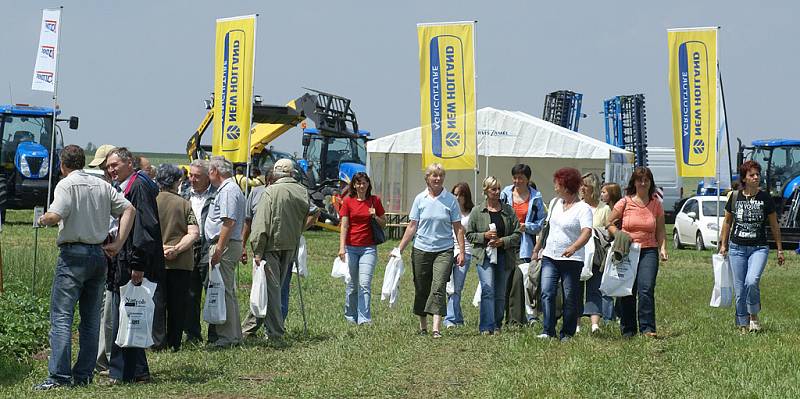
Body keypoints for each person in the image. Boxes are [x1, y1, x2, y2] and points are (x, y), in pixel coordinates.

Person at [33, 145, 135, 390]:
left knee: (62, 317)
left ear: (62, 165)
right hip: (99, 255)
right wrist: (119, 243)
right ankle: (84, 375)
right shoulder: (102, 185)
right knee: (90, 320)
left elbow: (56, 214)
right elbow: (129, 209)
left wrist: (42, 218)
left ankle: (59, 377)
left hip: (73, 255)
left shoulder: (65, 185)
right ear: (84, 162)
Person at [104, 147, 165, 383]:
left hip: (133, 261)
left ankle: (120, 373)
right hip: (128, 258)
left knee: (126, 314)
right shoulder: (134, 184)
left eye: (115, 165)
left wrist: (138, 264)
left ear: (129, 163)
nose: (111, 170)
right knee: (130, 314)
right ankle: (137, 371)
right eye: (108, 167)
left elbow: (145, 228)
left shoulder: (137, 186)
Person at [394, 163, 465, 338]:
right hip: (421, 249)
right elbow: (412, 226)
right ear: (427, 178)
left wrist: (461, 251)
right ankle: (423, 326)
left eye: (440, 175)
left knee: (439, 286)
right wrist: (399, 249)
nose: (438, 179)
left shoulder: (450, 200)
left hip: (444, 250)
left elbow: (458, 228)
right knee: (421, 287)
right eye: (434, 175)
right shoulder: (420, 199)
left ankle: (436, 328)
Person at [250, 159, 316, 339]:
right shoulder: (302, 191)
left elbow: (261, 223)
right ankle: (250, 328)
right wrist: (298, 231)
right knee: (276, 289)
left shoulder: (270, 191)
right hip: (291, 245)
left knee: (271, 290)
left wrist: (257, 249)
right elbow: (310, 214)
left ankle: (275, 332)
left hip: (271, 245)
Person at [719, 160, 785, 333]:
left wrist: (779, 249)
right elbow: (727, 222)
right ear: (744, 178)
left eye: (757, 174)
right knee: (740, 289)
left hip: (759, 248)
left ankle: (753, 315)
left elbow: (774, 225)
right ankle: (742, 324)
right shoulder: (734, 197)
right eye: (752, 175)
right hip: (737, 249)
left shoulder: (765, 198)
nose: (756, 177)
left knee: (752, 281)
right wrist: (723, 245)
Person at [607, 167, 669, 338]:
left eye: (646, 180)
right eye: (639, 180)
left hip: (649, 250)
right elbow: (609, 223)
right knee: (628, 290)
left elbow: (661, 230)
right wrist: (618, 234)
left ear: (651, 182)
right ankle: (628, 329)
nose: (643, 183)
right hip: (628, 250)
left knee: (646, 289)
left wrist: (663, 248)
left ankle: (648, 328)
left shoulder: (656, 204)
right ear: (634, 182)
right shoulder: (624, 202)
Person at [532, 167, 593, 341]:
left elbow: (587, 231)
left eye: (557, 183)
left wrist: (574, 247)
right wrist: (537, 249)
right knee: (547, 292)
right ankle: (548, 330)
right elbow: (547, 228)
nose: (555, 187)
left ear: (566, 185)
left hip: (572, 259)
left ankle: (567, 333)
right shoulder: (554, 203)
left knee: (570, 297)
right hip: (550, 256)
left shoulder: (583, 208)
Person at [466, 177, 521, 335]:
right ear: (485, 191)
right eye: (493, 189)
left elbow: (517, 234)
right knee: (488, 289)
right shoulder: (477, 211)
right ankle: (486, 326)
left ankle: (497, 324)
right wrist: (484, 236)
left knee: (500, 292)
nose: (497, 192)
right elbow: (469, 234)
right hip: (484, 256)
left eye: (498, 189)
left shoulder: (508, 210)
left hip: (504, 256)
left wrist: (502, 241)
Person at [154, 164, 199, 352]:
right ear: (177, 182)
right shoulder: (184, 204)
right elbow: (194, 233)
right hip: (181, 262)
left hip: (155, 261)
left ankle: (157, 342)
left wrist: (161, 248)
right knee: (178, 303)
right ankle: (174, 342)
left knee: (157, 303)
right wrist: (176, 249)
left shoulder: (151, 201)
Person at [204, 156, 246, 347]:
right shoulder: (230, 188)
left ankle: (227, 337)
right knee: (227, 290)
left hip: (225, 245)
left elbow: (228, 222)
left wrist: (219, 248)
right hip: (229, 244)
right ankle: (234, 334)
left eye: (209, 170)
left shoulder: (228, 190)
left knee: (224, 291)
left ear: (215, 171)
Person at [500, 164, 546, 325]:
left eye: (521, 178)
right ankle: (505, 315)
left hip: (525, 244)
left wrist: (527, 227)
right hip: (505, 242)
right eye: (515, 177)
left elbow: (541, 222)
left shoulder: (536, 197)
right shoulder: (505, 194)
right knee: (505, 280)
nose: (517, 181)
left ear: (528, 179)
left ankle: (521, 316)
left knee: (520, 279)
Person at [338, 172, 386, 325]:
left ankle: (364, 319)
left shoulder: (374, 201)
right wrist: (342, 247)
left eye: (364, 183)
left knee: (364, 283)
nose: (361, 186)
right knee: (352, 285)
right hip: (351, 247)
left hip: (368, 248)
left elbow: (384, 223)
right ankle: (350, 317)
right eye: (358, 183)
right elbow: (344, 225)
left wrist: (375, 216)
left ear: (368, 185)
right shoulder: (347, 201)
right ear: (353, 185)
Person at [182, 159, 218, 344]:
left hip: (208, 245)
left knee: (212, 291)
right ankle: (192, 335)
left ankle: (215, 334)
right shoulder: (184, 193)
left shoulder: (216, 194)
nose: (192, 179)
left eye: (197, 176)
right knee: (190, 292)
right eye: (190, 175)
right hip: (189, 246)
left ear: (207, 177)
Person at [444, 182, 474, 328]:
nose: (457, 197)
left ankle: (450, 319)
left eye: (460, 195)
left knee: (457, 287)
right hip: (449, 249)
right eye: (454, 194)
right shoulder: (449, 210)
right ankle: (458, 318)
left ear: (465, 196)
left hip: (466, 251)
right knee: (449, 286)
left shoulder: (472, 213)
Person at [578, 172, 605, 333]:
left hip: (596, 255)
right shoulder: (578, 206)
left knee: (594, 288)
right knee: (575, 289)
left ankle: (595, 324)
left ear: (592, 188)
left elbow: (609, 230)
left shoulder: (604, 209)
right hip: (578, 252)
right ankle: (576, 324)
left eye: (585, 185)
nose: (582, 188)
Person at [599, 182, 622, 324]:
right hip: (606, 248)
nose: (601, 195)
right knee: (606, 282)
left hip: (617, 248)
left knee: (617, 282)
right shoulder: (606, 208)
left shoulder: (617, 210)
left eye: (604, 192)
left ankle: (616, 315)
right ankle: (609, 316)